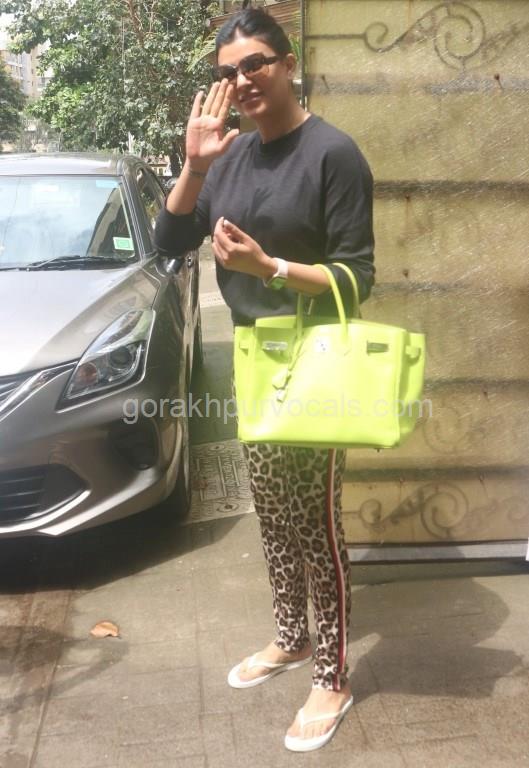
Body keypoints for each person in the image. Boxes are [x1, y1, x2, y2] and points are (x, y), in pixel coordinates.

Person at [154, 6, 375, 752]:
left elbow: (357, 278)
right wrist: (194, 165)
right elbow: (171, 238)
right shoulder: (230, 157)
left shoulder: (332, 153)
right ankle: (291, 636)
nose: (242, 80)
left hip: (314, 360)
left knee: (317, 524)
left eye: (254, 63)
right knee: (273, 514)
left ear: (287, 63)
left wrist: (269, 267)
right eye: (228, 72)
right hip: (254, 360)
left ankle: (333, 675)